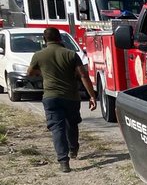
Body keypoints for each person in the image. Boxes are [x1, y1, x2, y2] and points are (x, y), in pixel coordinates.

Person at [26, 27, 97, 173]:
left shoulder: (39, 55)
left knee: (57, 129)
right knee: (72, 124)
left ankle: (63, 161)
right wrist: (92, 96)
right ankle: (73, 149)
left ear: (45, 40)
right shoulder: (71, 54)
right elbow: (83, 75)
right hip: (71, 97)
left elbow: (30, 73)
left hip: (51, 97)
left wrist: (43, 72)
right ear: (60, 38)